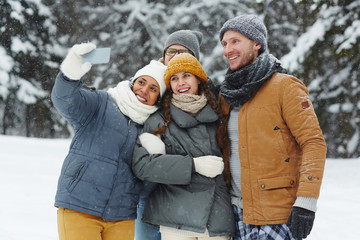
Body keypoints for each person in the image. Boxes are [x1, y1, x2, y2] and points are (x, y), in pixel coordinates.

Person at [217, 15, 327, 240]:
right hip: (236, 214)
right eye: (224, 44)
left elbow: (313, 143)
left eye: (235, 41)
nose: (228, 50)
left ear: (257, 43)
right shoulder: (226, 95)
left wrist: (307, 203)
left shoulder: (285, 86)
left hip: (276, 215)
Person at [51, 42, 167, 240]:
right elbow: (64, 100)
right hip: (80, 206)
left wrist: (154, 161)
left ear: (158, 97)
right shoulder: (101, 102)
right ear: (133, 82)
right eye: (141, 82)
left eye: (153, 88)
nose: (144, 90)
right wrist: (70, 75)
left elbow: (144, 187)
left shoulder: (151, 128)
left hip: (122, 216)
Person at [132, 53, 235, 240]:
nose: (181, 83)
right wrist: (193, 165)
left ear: (198, 79)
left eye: (186, 75)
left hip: (216, 219)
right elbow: (143, 165)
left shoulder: (220, 114)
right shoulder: (159, 120)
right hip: (175, 219)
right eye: (174, 78)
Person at [135, 29, 203, 240]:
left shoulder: (198, 91)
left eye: (184, 53)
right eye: (171, 51)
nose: (175, 56)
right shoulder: (147, 82)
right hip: (148, 191)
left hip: (182, 194)